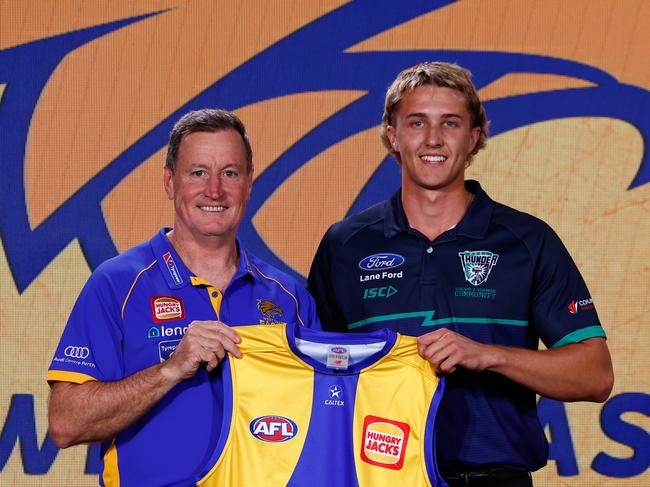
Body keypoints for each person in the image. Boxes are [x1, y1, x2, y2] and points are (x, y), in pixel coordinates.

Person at [307, 62, 613, 486]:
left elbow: (595, 375)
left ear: (474, 137)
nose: (433, 139)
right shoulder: (345, 245)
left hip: (493, 477)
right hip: (375, 476)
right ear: (392, 135)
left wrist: (488, 354)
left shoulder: (527, 240)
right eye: (417, 122)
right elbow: (312, 376)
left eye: (450, 123)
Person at [47, 109, 320, 487]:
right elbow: (65, 424)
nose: (214, 190)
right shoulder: (117, 284)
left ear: (248, 184)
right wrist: (171, 369)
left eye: (230, 173)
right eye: (198, 173)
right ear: (169, 182)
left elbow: (324, 422)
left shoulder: (291, 298)